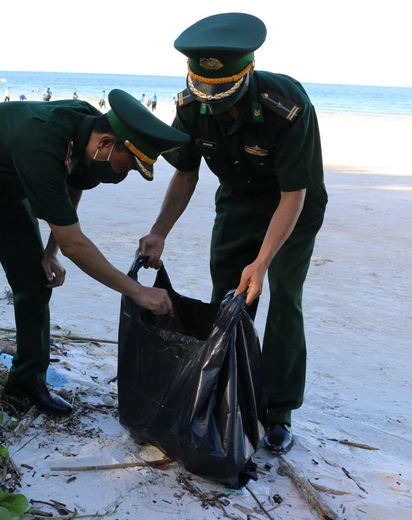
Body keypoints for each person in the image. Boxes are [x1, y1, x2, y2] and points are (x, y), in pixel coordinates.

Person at [0, 89, 190, 444]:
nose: (127, 173)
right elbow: (76, 245)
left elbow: (73, 185)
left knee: (36, 280)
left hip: (6, 188)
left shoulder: (88, 130)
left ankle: (26, 382)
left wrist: (48, 252)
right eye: (128, 164)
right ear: (107, 143)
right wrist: (137, 291)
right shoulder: (39, 141)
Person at [136, 13, 327, 455]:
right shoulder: (190, 107)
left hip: (293, 207)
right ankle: (228, 391)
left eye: (222, 93)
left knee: (281, 296)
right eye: (205, 91)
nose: (212, 103)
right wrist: (159, 231)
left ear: (248, 74)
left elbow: (293, 195)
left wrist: (262, 263)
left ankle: (278, 411)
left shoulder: (287, 105)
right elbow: (185, 175)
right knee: (229, 296)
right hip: (239, 202)